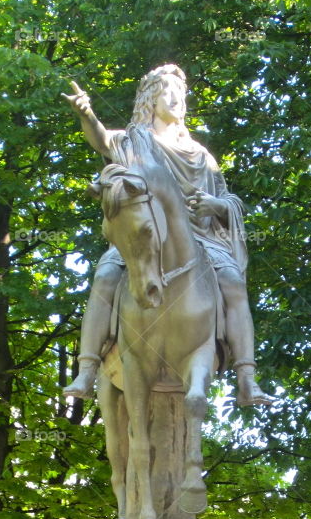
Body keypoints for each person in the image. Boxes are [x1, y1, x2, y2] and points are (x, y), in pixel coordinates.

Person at [62, 64, 273, 406]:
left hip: (197, 239)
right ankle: (87, 369)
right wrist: (86, 113)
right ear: (150, 99)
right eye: (166, 91)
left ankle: (246, 378)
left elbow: (230, 200)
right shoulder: (135, 140)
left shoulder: (202, 155)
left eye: (180, 93)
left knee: (232, 282)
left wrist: (215, 206)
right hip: (144, 236)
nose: (176, 99)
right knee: (104, 276)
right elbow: (101, 140)